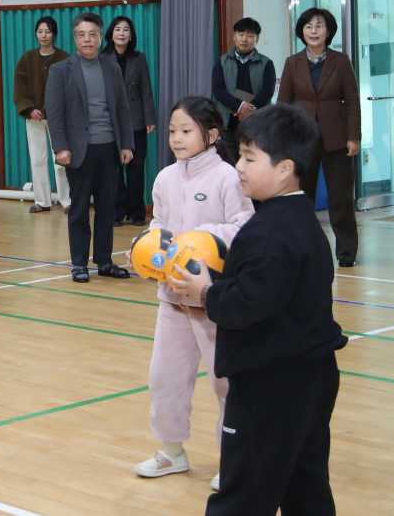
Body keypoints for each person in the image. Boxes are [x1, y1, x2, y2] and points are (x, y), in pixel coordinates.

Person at [169, 104, 347, 515]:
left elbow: (247, 304)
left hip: (271, 384)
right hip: (312, 374)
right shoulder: (301, 219)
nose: (239, 167)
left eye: (250, 158)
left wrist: (205, 293)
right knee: (306, 485)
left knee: (244, 493)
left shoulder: (267, 233)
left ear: (285, 169)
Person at [133, 97, 253, 493]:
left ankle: (233, 458)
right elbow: (159, 223)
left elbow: (244, 226)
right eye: (172, 131)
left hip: (214, 300)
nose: (177, 138)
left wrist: (206, 240)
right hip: (172, 298)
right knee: (164, 376)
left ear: (212, 135)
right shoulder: (165, 178)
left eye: (186, 131)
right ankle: (171, 451)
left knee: (224, 382)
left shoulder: (228, 177)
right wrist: (151, 246)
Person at [45, 12, 134, 283]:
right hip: (78, 151)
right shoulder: (60, 70)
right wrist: (60, 147)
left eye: (92, 34)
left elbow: (121, 108)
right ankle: (79, 264)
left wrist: (127, 143)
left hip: (109, 147)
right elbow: (55, 112)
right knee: (80, 208)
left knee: (108, 208)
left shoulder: (111, 67)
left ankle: (104, 262)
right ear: (75, 38)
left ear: (99, 36)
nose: (87, 39)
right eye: (82, 35)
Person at [277, 7, 360, 267]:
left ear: (328, 31)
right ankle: (303, 247)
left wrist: (353, 136)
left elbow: (353, 102)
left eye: (319, 26)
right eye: (309, 26)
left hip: (337, 139)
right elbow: (284, 104)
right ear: (302, 31)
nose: (314, 31)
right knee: (301, 196)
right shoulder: (292, 63)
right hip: (302, 140)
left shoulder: (341, 61)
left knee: (340, 198)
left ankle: (346, 253)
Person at [13, 16, 71, 214]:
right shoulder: (27, 59)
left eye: (48, 31)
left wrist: (51, 109)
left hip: (59, 118)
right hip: (34, 118)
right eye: (40, 31)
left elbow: (69, 88)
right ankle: (42, 201)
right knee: (37, 158)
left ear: (54, 33)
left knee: (61, 160)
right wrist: (29, 109)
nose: (44, 35)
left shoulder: (65, 58)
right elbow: (20, 88)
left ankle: (67, 200)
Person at [103, 16, 157, 226]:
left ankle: (137, 212)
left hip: (136, 120)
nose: (122, 33)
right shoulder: (103, 58)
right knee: (114, 168)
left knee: (136, 166)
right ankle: (117, 211)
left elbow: (146, 89)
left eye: (126, 30)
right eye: (118, 29)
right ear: (111, 33)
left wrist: (150, 117)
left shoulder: (139, 58)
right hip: (111, 121)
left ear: (131, 35)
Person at [211, 17, 276, 165]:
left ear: (256, 39)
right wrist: (240, 107)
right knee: (229, 165)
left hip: (257, 123)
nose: (245, 39)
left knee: (255, 163)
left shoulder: (266, 63)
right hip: (228, 123)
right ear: (234, 37)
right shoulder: (222, 61)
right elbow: (218, 90)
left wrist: (248, 110)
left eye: (250, 35)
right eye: (241, 34)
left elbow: (267, 91)